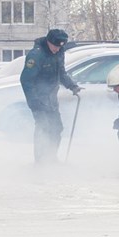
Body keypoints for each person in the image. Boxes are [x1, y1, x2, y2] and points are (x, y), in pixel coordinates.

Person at [20, 29, 83, 163]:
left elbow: (61, 73)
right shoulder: (36, 55)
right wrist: (33, 100)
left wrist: (72, 85)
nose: (57, 49)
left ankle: (51, 157)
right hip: (38, 99)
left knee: (56, 128)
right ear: (48, 42)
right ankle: (40, 161)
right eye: (55, 46)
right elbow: (26, 80)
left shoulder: (59, 53)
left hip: (52, 98)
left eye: (60, 46)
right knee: (43, 128)